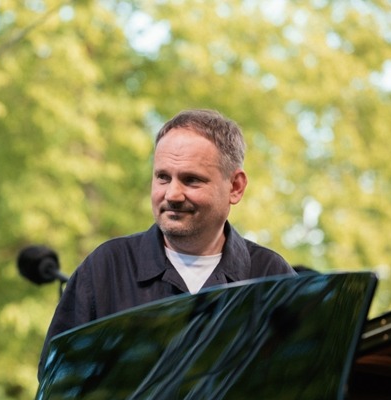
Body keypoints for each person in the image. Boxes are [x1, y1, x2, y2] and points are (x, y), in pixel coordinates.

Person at [38, 109, 296, 377]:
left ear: (235, 187)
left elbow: (304, 385)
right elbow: (59, 389)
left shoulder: (271, 276)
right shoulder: (106, 268)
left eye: (191, 180)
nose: (172, 194)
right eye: (163, 177)